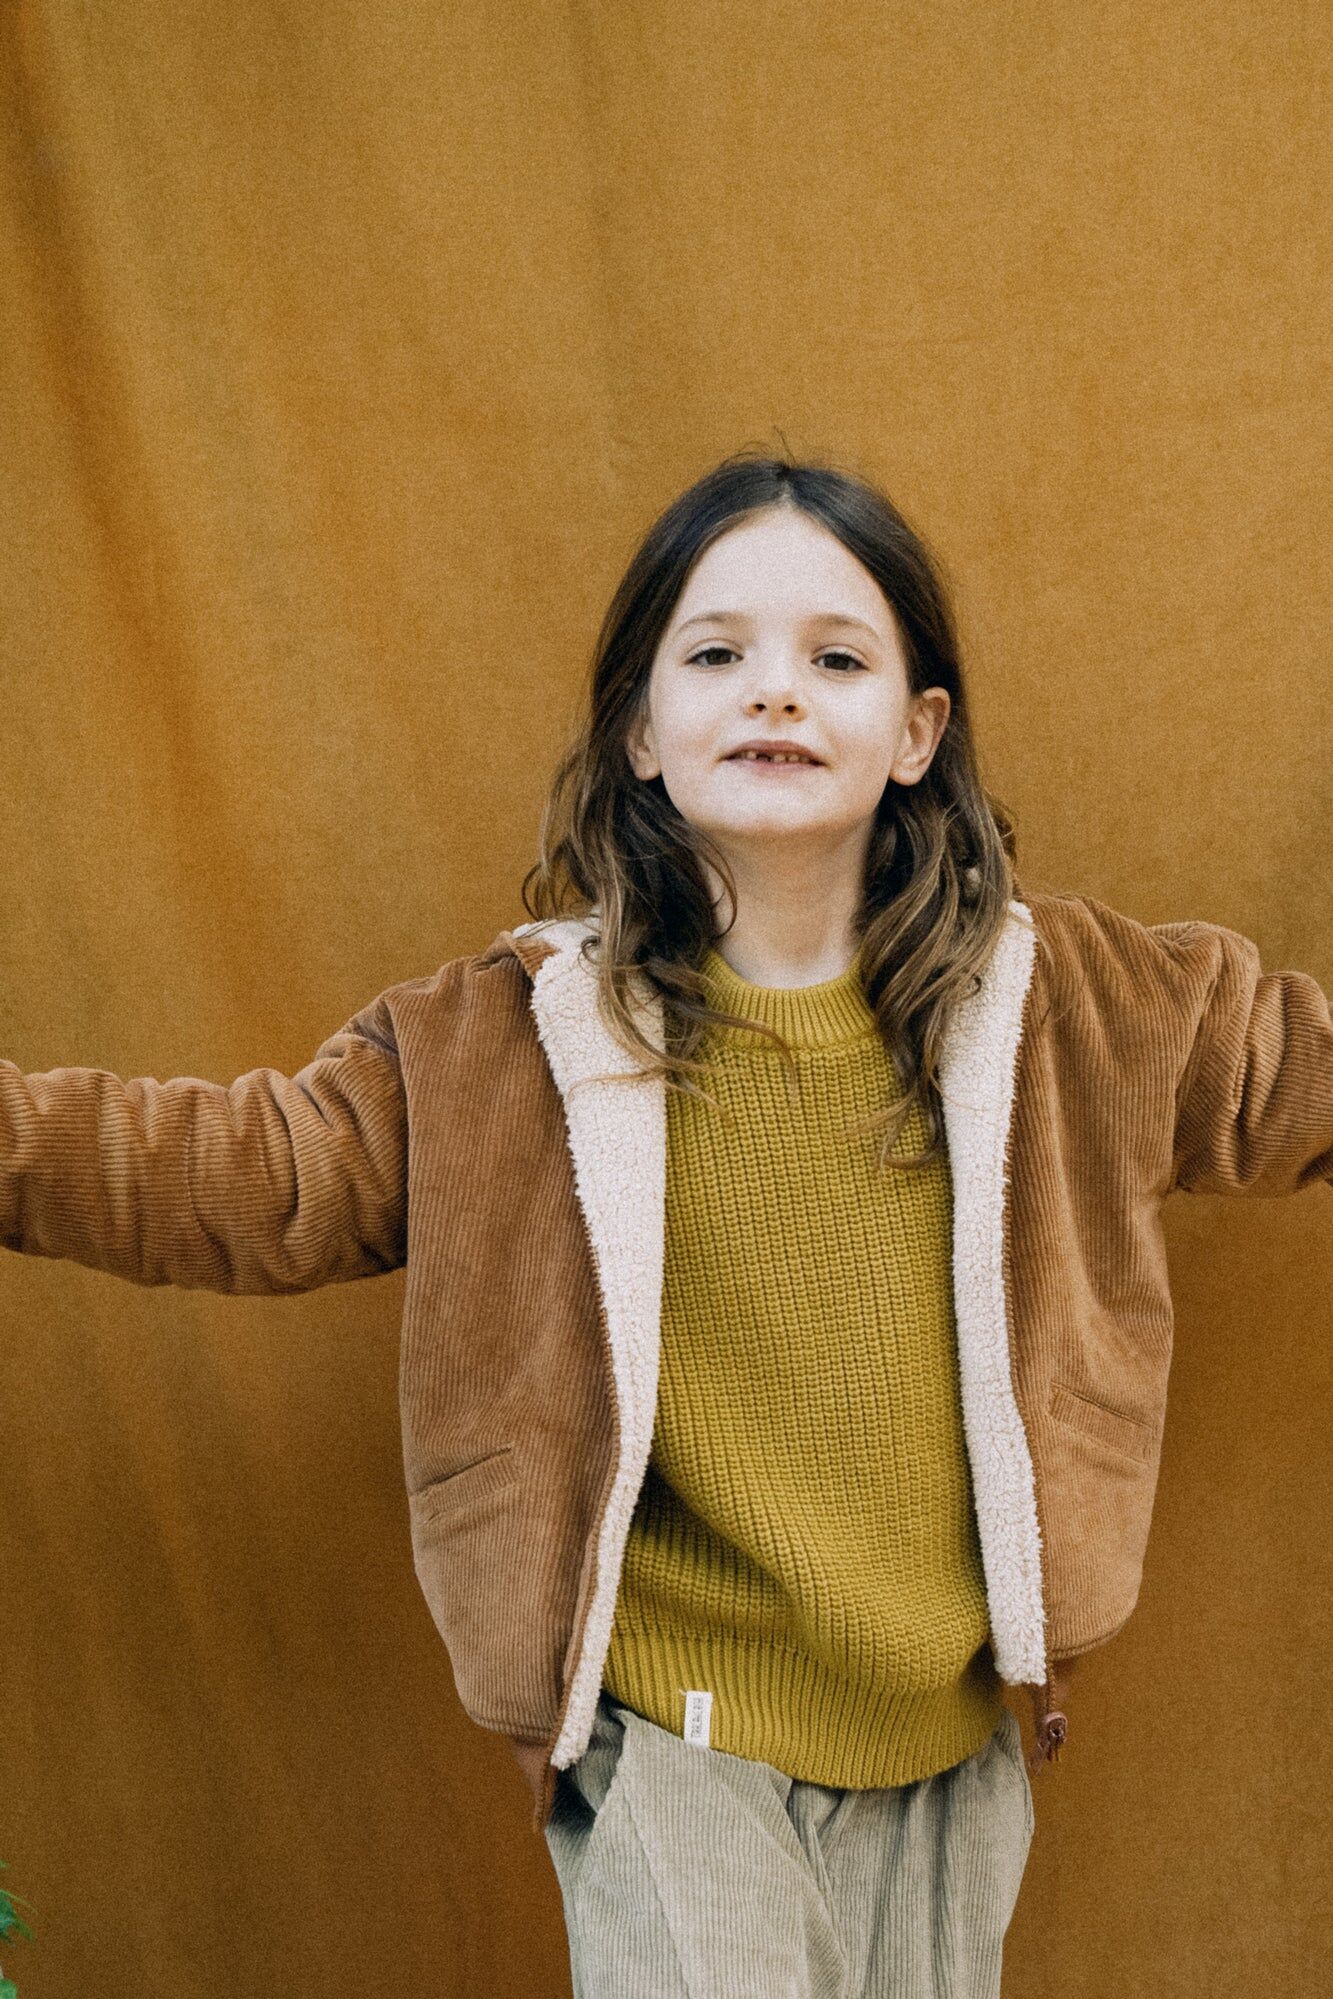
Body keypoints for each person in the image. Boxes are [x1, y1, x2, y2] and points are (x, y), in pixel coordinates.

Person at [3, 448, 1329, 1998]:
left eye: (834, 657)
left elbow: (1295, 1082)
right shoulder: (501, 1046)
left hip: (948, 1742)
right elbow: (242, 1172)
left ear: (915, 735)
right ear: (640, 729)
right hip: (669, 1745)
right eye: (715, 656)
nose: (775, 691)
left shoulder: (1090, 1012)